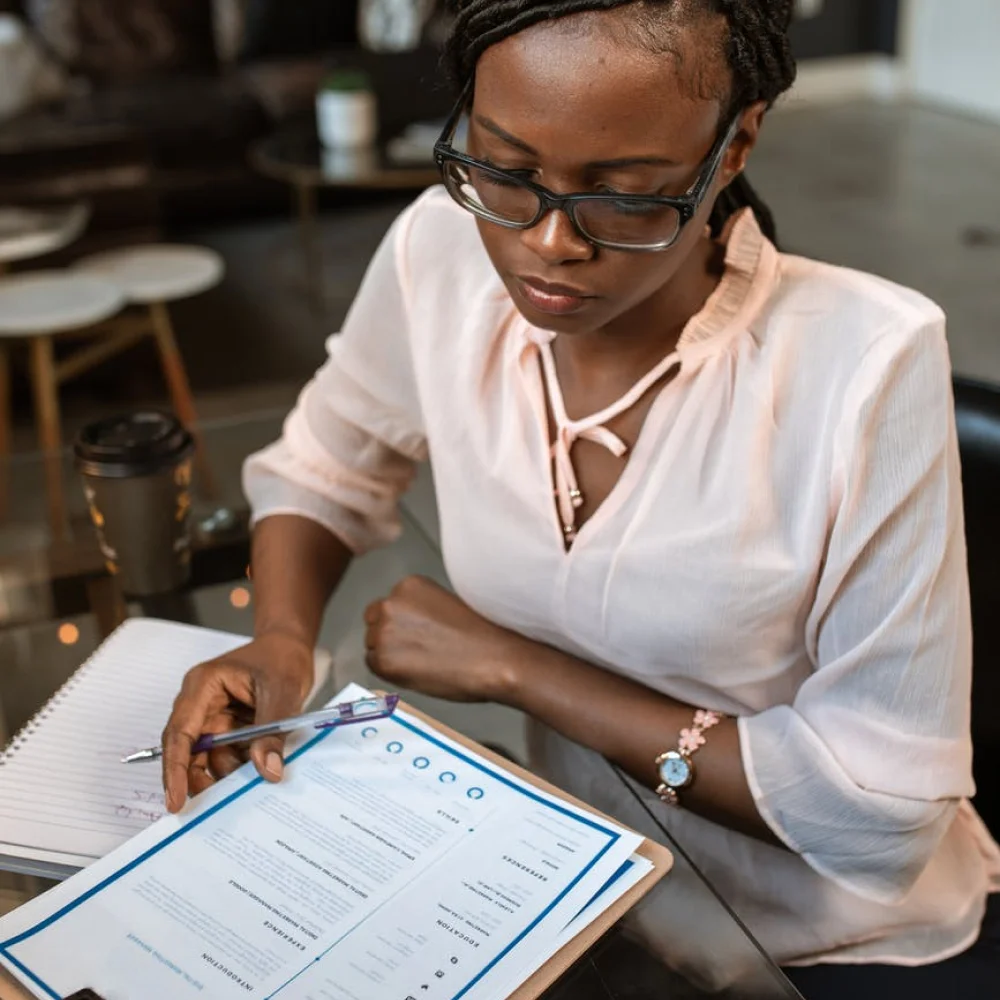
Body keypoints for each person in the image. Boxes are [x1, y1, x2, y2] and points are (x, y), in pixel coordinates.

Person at [160, 1, 1000, 995]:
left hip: (829, 943)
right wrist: (283, 640)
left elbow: (878, 819)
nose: (547, 242)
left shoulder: (862, 362)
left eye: (625, 193)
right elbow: (326, 464)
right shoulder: (441, 250)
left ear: (735, 143)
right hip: (573, 894)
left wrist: (517, 669)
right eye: (505, 166)